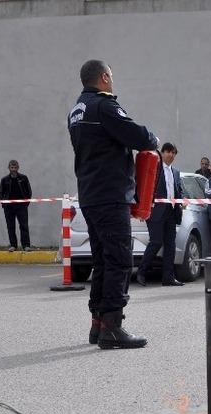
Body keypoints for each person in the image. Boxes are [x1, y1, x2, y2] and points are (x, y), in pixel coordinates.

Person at [67, 60, 158, 349]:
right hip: (110, 193)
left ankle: (98, 324)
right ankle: (113, 328)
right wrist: (153, 138)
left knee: (103, 260)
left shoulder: (76, 110)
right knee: (119, 259)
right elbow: (139, 137)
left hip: (91, 194)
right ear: (104, 77)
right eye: (112, 76)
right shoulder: (104, 107)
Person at [136, 142, 184, 287]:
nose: (170, 154)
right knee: (156, 242)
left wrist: (182, 201)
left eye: (173, 152)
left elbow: (178, 190)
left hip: (171, 211)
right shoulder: (155, 169)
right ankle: (141, 272)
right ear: (162, 153)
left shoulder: (175, 172)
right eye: (167, 151)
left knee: (170, 245)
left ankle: (168, 278)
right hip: (156, 211)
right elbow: (143, 186)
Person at [0, 159, 33, 252]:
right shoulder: (4, 180)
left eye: (15, 167)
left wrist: (26, 204)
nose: (13, 169)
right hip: (8, 207)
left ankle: (26, 245)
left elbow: (29, 192)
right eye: (11, 167)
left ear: (18, 168)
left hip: (21, 206)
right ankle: (13, 245)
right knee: (10, 226)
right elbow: (1, 193)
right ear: (9, 168)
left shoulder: (23, 178)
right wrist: (4, 204)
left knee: (24, 226)